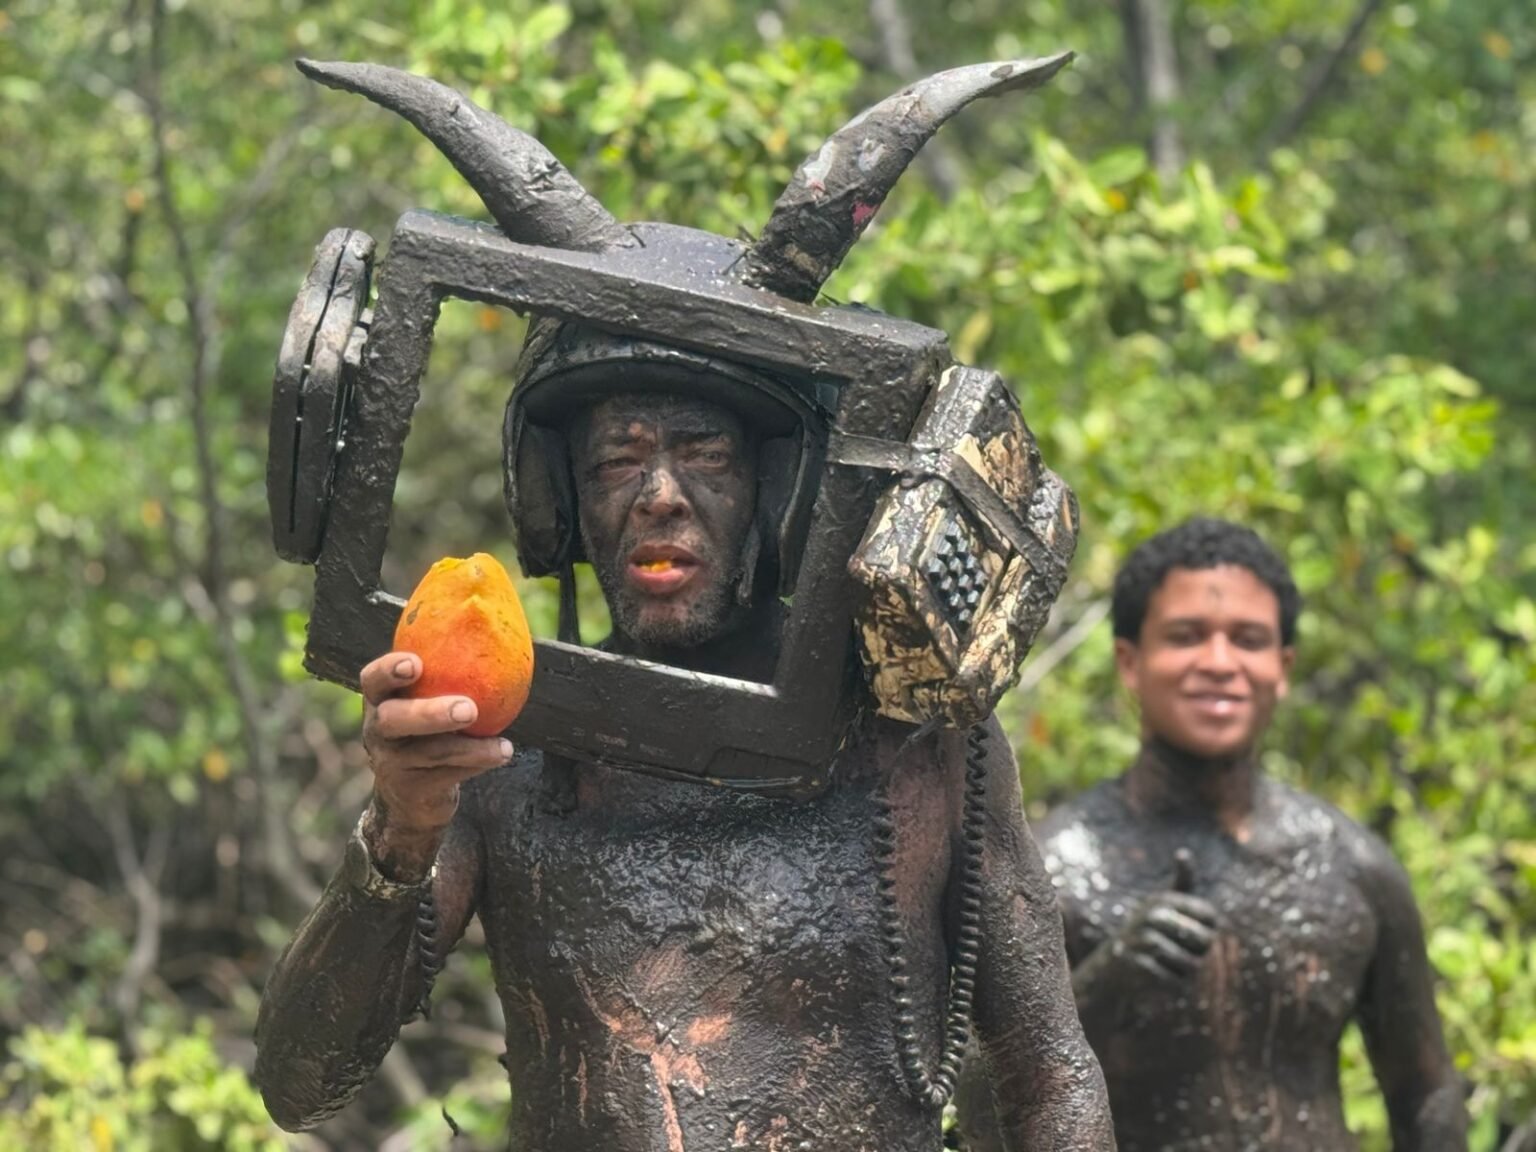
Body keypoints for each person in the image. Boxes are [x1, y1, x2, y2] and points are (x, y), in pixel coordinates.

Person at [253, 57, 1114, 1152]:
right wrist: (399, 831)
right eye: (618, 460)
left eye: (704, 451)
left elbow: (1051, 1075)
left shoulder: (914, 743)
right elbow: (298, 1084)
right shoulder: (504, 757)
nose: (662, 493)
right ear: (562, 500)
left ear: (779, 491)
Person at [959, 516, 1468, 1152]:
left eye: (1248, 639)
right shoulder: (1053, 875)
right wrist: (1105, 985)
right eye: (1186, 636)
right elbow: (976, 1113)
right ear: (1130, 662)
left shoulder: (1351, 867)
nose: (1219, 662)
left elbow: (1427, 1093)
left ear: (1281, 667)